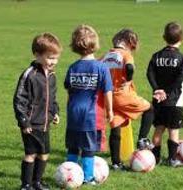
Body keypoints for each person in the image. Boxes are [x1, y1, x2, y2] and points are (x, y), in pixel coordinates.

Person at [64, 24, 113, 185]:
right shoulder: (101, 67)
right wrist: (110, 111)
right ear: (95, 44)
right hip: (91, 116)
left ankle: (67, 174)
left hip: (73, 114)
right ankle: (88, 177)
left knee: (72, 146)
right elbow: (107, 92)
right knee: (88, 148)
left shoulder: (72, 67)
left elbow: (69, 91)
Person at [13, 33, 62, 190]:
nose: (53, 62)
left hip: (45, 122)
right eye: (49, 58)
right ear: (37, 55)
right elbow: (19, 99)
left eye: (55, 58)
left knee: (45, 154)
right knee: (31, 154)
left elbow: (52, 98)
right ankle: (26, 185)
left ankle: (37, 182)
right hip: (31, 123)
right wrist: (24, 120)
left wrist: (55, 112)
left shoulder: (52, 75)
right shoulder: (30, 74)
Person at [101, 29, 154, 170]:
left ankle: (116, 163)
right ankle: (142, 140)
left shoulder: (105, 56)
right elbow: (130, 67)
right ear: (128, 42)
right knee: (150, 109)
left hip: (109, 97)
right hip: (123, 95)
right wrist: (129, 80)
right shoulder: (125, 54)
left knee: (115, 128)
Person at [147, 22, 183, 167]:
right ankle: (172, 159)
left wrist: (157, 89)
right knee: (173, 130)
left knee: (158, 128)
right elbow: (179, 80)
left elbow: (149, 74)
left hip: (158, 99)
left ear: (164, 37)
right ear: (182, 38)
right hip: (174, 101)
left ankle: (155, 158)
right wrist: (167, 92)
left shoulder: (156, 56)